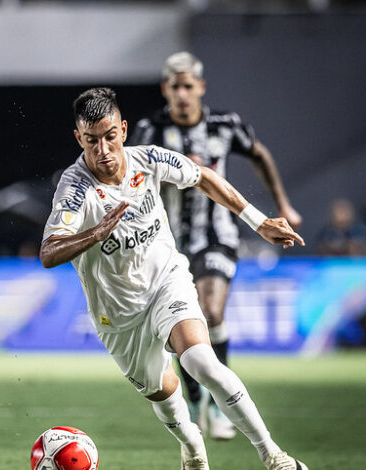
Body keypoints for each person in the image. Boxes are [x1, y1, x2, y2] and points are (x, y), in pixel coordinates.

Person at [40, 87, 307, 470]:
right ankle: (193, 446)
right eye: (92, 140)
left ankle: (274, 455)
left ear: (124, 130)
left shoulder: (147, 160)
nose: (103, 150)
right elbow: (49, 252)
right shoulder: (75, 189)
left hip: (167, 281)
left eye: (110, 136)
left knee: (201, 360)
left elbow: (204, 177)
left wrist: (259, 221)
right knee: (163, 392)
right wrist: (95, 233)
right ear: (79, 138)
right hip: (118, 314)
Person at [129, 51, 302, 440]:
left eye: (189, 86)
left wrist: (283, 204)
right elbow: (132, 176)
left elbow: (260, 154)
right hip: (168, 242)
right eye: (175, 87)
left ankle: (218, 404)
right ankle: (195, 399)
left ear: (201, 87)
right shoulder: (148, 131)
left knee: (210, 311)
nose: (183, 94)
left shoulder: (225, 124)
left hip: (218, 236)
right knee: (175, 329)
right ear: (165, 90)